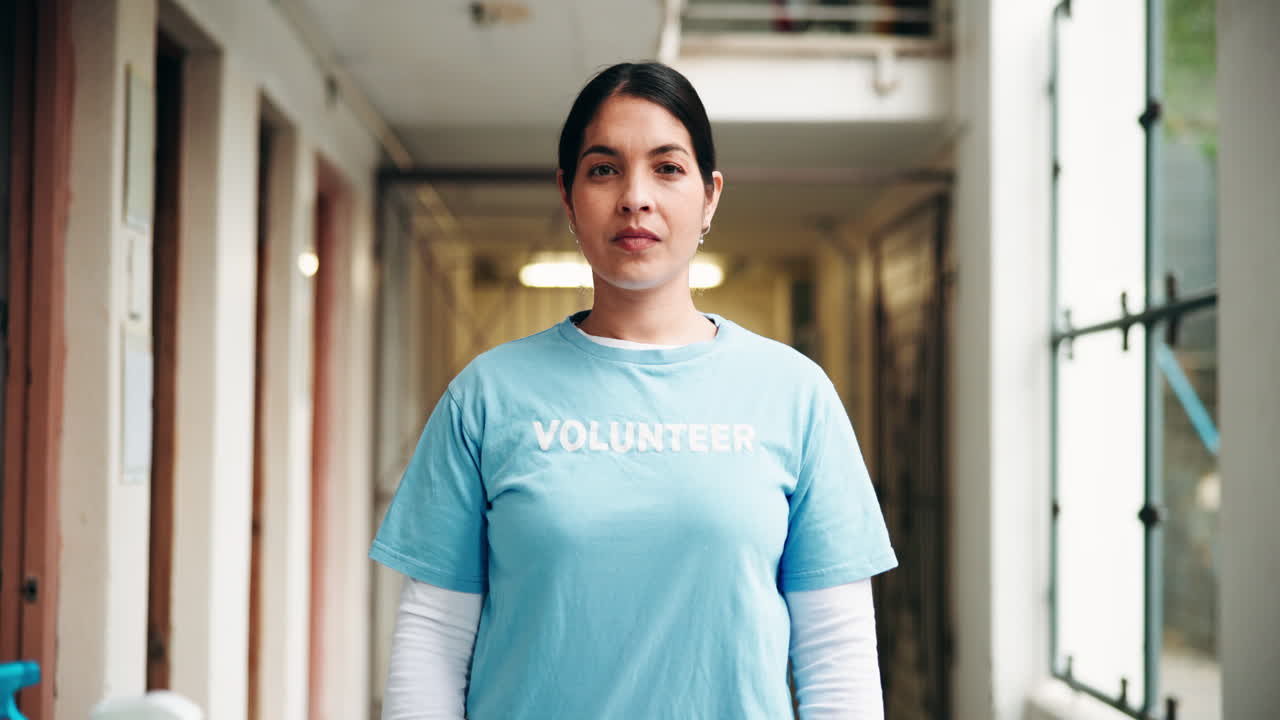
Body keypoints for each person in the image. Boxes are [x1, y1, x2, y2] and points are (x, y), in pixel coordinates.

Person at [371, 61, 897, 720]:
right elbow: (434, 640)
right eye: (604, 169)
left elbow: (835, 652)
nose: (635, 197)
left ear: (710, 196)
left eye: (667, 168)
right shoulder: (487, 397)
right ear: (567, 195)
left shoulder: (795, 396)